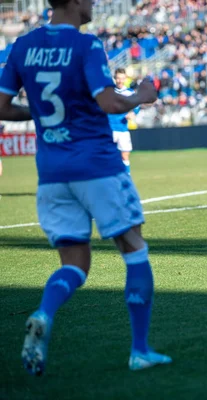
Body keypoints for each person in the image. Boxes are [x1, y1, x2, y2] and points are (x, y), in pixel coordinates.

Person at [0, 0, 171, 375]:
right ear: (76, 2)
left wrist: (42, 112)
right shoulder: (86, 45)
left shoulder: (22, 47)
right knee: (134, 248)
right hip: (96, 165)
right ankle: (139, 350)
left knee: (75, 262)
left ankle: (45, 312)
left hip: (51, 172)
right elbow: (109, 102)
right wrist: (143, 95)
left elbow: (2, 106)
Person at [108, 68, 139, 174]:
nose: (120, 81)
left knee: (125, 155)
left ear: (125, 79)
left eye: (122, 79)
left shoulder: (129, 93)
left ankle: (127, 178)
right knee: (108, 156)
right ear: (115, 79)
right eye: (118, 78)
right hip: (109, 129)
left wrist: (133, 113)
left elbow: (137, 106)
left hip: (122, 129)